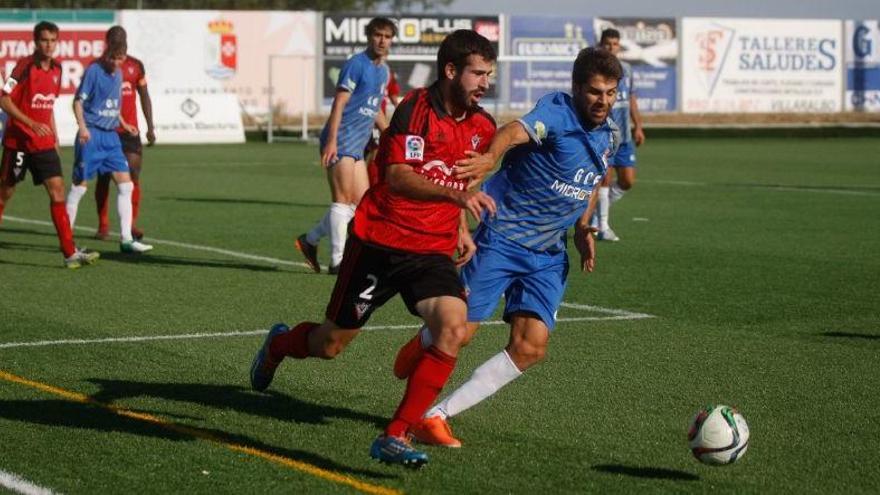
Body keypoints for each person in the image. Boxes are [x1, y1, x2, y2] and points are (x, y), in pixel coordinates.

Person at [250, 30, 498, 468]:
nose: (485, 82)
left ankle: (395, 435)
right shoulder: (415, 109)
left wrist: (459, 225)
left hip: (431, 251)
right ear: (451, 70)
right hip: (380, 242)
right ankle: (278, 345)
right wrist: (456, 200)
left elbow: (463, 180)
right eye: (478, 73)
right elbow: (399, 175)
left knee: (453, 325)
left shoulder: (483, 126)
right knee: (329, 344)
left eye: (489, 74)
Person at [393, 47, 622, 448]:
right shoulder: (557, 111)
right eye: (594, 92)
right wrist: (489, 158)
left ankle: (435, 415)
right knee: (458, 334)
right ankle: (426, 341)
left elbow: (593, 179)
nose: (603, 101)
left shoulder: (611, 135)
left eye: (610, 93)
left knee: (531, 347)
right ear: (576, 88)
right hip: (502, 237)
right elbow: (513, 132)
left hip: (549, 254)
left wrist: (585, 226)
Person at [295, 17, 394, 275]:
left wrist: (390, 134)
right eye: (378, 35)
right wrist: (331, 141)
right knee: (341, 200)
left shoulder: (383, 71)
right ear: (369, 37)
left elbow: (374, 108)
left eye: (387, 36)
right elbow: (339, 103)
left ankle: (310, 240)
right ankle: (337, 261)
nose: (382, 40)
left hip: (358, 144)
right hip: (341, 139)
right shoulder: (356, 64)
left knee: (360, 205)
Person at [0, 21, 99, 269]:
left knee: (57, 190)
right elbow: (4, 100)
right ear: (36, 42)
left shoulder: (57, 69)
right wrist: (30, 123)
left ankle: (69, 252)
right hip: (18, 142)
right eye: (44, 40)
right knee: (5, 193)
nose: (49, 45)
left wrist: (53, 138)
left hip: (43, 143)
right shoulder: (24, 66)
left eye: (53, 40)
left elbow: (49, 107)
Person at [64, 38, 153, 254]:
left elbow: (112, 104)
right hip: (92, 135)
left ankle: (126, 240)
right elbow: (77, 101)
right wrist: (82, 127)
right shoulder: (94, 70)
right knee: (79, 188)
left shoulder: (120, 73)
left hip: (112, 137)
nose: (116, 62)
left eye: (120, 58)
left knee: (126, 185)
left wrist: (124, 124)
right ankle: (66, 240)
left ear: (124, 56)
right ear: (107, 55)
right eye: (112, 58)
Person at [93, 26, 156, 241]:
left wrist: (150, 126)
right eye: (114, 40)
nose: (119, 42)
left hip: (130, 131)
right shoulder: (98, 67)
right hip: (104, 130)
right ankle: (103, 225)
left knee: (134, 175)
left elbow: (145, 95)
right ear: (108, 42)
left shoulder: (135, 66)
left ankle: (130, 224)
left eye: (122, 40)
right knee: (103, 177)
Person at [593, 28, 645, 242]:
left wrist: (638, 126)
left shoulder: (627, 69)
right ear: (601, 45)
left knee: (627, 181)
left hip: (625, 137)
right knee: (605, 179)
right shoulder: (596, 71)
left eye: (615, 44)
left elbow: (631, 99)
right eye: (607, 44)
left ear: (619, 46)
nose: (611, 48)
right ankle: (603, 226)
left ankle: (595, 214)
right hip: (605, 135)